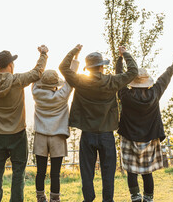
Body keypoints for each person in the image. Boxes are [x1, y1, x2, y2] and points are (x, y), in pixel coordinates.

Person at [59, 45, 138, 202]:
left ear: (88, 68)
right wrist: (125, 54)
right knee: (108, 172)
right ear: (102, 66)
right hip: (106, 134)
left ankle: (88, 199)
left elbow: (63, 67)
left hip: (87, 134)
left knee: (87, 172)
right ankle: (107, 200)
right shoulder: (112, 81)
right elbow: (133, 72)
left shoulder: (80, 80)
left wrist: (74, 52)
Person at [0, 40, 48, 202]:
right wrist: (43, 54)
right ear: (11, 64)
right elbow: (37, 72)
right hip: (18, 135)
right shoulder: (17, 80)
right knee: (18, 172)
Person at [116, 54, 173, 202]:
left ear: (132, 82)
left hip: (129, 137)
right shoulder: (155, 92)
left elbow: (119, 77)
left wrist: (120, 59)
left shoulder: (125, 95)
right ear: (147, 82)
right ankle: (148, 198)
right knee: (147, 172)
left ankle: (135, 197)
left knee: (131, 171)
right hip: (150, 138)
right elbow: (166, 77)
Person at [31, 55, 80, 202]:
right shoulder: (62, 95)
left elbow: (35, 76)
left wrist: (41, 56)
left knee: (40, 171)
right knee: (55, 173)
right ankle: (55, 199)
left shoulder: (36, 93)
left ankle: (40, 197)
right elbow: (70, 80)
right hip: (57, 136)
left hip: (40, 136)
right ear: (55, 84)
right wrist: (75, 60)